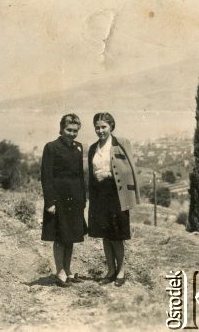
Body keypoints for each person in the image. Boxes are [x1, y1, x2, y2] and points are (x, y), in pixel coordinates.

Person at [88, 112, 140, 287]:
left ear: (111, 127)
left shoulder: (121, 143)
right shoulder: (92, 148)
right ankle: (110, 270)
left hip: (117, 193)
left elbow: (131, 168)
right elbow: (91, 174)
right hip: (99, 195)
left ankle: (121, 271)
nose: (100, 130)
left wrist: (133, 195)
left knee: (117, 235)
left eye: (104, 127)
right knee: (105, 234)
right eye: (97, 127)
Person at [41, 113, 87, 287]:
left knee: (71, 235)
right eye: (69, 130)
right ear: (61, 129)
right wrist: (50, 202)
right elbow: (46, 176)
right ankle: (59, 271)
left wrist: (83, 199)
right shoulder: (51, 147)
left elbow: (80, 177)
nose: (72, 133)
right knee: (60, 237)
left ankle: (68, 270)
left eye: (75, 131)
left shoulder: (79, 147)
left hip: (75, 198)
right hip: (58, 199)